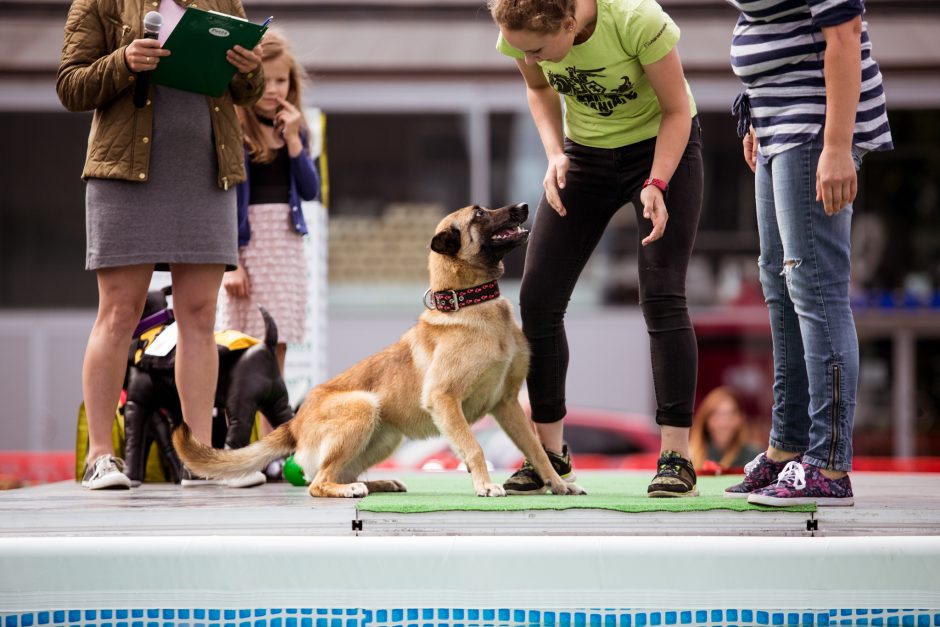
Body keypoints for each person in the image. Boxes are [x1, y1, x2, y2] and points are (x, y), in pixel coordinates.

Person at [487, 0, 704, 497]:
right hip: (585, 156)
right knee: (538, 301)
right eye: (524, 51)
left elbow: (677, 111)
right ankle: (549, 458)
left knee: (663, 293)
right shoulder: (520, 34)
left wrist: (657, 181)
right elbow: (537, 89)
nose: (533, 59)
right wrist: (555, 153)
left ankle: (676, 457)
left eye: (540, 49)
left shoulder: (635, 19)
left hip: (661, 147)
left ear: (568, 23)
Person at [57, 0, 265, 489]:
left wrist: (250, 71)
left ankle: (200, 458)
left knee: (199, 316)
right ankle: (102, 458)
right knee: (120, 312)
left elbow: (245, 94)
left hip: (207, 172)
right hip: (125, 174)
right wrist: (123, 62)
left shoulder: (220, 2)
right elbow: (70, 85)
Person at [723, 0, 893, 506]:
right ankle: (787, 448)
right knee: (778, 285)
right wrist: (756, 111)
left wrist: (838, 145)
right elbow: (776, 28)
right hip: (777, 125)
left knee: (816, 288)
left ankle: (829, 464)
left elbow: (844, 37)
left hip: (813, 128)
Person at [218, 29, 320, 399]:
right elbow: (225, 200)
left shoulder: (297, 129)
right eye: (266, 79)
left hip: (286, 246)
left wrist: (293, 139)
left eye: (281, 80)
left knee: (279, 342)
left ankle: (272, 439)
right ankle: (241, 436)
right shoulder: (235, 129)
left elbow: (310, 190)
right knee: (244, 344)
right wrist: (233, 263)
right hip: (251, 247)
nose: (274, 88)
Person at [689, 387, 762, 473]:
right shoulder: (689, 456)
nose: (723, 423)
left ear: (740, 418)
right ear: (706, 420)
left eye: (730, 415)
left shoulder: (755, 457)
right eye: (717, 415)